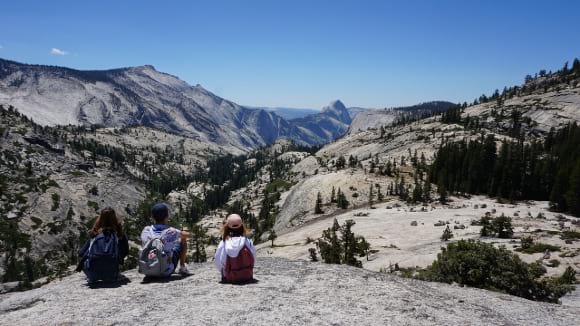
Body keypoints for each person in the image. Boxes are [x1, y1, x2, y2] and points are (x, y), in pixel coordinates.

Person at [77, 207, 129, 282]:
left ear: (100, 218)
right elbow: (126, 251)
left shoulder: (95, 234)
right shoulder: (119, 234)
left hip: (92, 274)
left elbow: (81, 253)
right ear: (114, 218)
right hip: (112, 273)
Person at [140, 203, 191, 276]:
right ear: (167, 217)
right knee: (181, 241)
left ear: (152, 217)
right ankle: (182, 267)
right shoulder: (171, 231)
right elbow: (188, 235)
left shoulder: (146, 230)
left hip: (148, 270)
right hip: (165, 271)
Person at [214, 214, 257, 283]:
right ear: (242, 226)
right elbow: (253, 258)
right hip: (247, 276)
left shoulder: (224, 243)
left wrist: (224, 273)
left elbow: (218, 261)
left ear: (227, 227)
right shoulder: (247, 241)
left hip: (229, 277)